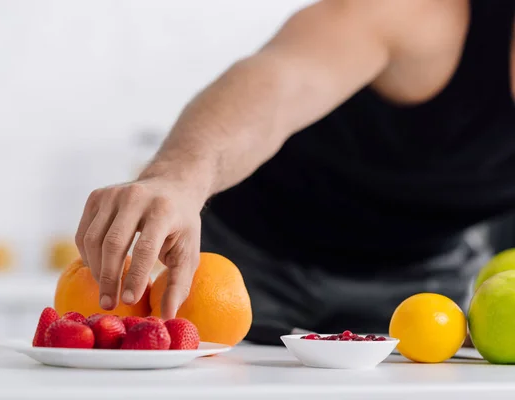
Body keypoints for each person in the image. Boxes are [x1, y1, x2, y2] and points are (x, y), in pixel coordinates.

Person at [74, 0, 515, 345]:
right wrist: (178, 177)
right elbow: (283, 79)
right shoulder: (422, 15)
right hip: (250, 257)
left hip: (424, 280)